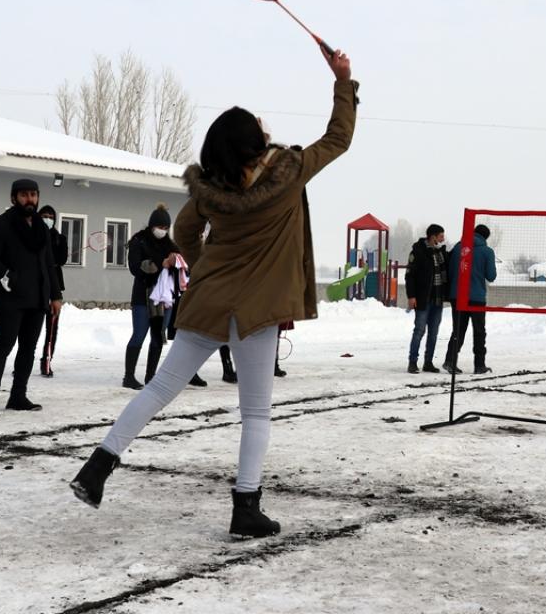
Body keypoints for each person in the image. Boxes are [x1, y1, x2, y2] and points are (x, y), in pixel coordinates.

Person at [70, 47, 356, 540]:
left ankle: (98, 466)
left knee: (159, 388)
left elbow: (185, 235)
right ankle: (246, 507)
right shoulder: (290, 173)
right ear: (254, 141)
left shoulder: (209, 191)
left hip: (207, 302)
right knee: (255, 411)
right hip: (258, 311)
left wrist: (207, 272)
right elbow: (339, 137)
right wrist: (343, 80)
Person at [0, 178, 63, 417]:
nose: (30, 200)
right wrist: (7, 276)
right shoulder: (1, 224)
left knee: (28, 349)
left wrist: (55, 294)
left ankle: (18, 396)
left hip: (38, 299)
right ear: (14, 198)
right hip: (11, 298)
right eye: (24, 195)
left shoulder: (40, 228)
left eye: (33, 195)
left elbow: (49, 264)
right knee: (3, 347)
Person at [123, 204, 202, 389]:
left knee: (158, 337)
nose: (162, 231)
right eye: (160, 227)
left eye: (166, 228)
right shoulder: (139, 241)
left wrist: (179, 263)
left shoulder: (170, 245)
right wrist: (161, 263)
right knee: (139, 334)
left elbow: (183, 269)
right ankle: (129, 376)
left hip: (165, 299)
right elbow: (136, 267)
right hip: (143, 296)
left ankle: (151, 376)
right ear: (152, 225)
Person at [442, 224, 497, 375]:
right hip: (477, 298)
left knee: (458, 330)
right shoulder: (487, 251)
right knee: (479, 332)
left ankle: (450, 361)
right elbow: (491, 276)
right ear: (485, 237)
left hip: (457, 296)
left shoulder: (458, 248)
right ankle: (479, 365)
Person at [404, 224, 449, 373]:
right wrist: (411, 296)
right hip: (424, 299)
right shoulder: (418, 252)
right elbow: (409, 276)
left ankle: (428, 362)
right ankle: (412, 362)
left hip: (438, 299)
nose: (443, 239)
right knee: (419, 331)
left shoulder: (441, 253)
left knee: (433, 333)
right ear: (433, 237)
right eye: (441, 236)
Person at [37, 205, 68, 378]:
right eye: (44, 215)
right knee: (29, 327)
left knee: (51, 329)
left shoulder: (59, 238)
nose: (47, 218)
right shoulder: (32, 235)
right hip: (34, 286)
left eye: (50, 216)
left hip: (54, 286)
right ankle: (23, 360)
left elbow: (62, 259)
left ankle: (46, 361)